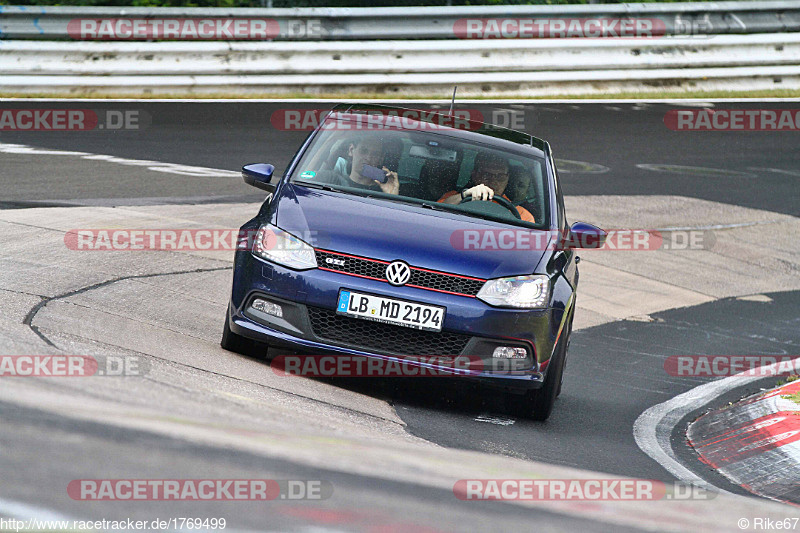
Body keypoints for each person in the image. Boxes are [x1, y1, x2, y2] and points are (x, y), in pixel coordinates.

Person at [438, 152, 534, 222]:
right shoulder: (455, 197)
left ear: (508, 178)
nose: (493, 181)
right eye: (486, 175)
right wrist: (464, 196)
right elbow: (435, 213)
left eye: (500, 177)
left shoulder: (520, 214)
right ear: (475, 175)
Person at [310, 134, 399, 195]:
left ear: (381, 159)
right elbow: (302, 180)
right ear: (351, 150)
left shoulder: (383, 192)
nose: (368, 158)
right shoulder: (331, 180)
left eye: (375, 154)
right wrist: (331, 140)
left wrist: (393, 195)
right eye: (363, 151)